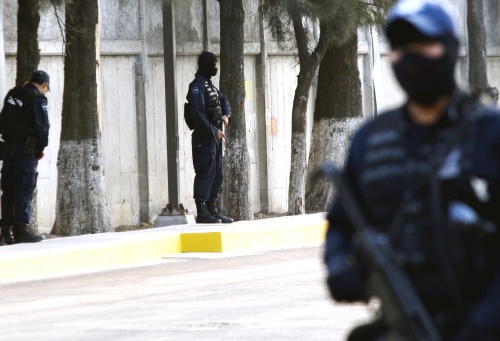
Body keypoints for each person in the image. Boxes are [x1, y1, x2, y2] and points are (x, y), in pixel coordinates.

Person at [324, 0, 500, 339]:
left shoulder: (489, 135)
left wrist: (484, 324)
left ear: (450, 49)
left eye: (424, 45)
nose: (413, 57)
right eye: (402, 48)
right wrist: (341, 267)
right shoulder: (371, 141)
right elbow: (342, 224)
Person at [0, 70, 51, 245]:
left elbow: (3, 122)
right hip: (25, 152)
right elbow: (42, 128)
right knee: (23, 189)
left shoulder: (13, 94)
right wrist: (40, 148)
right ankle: (21, 231)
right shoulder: (37, 98)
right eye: (46, 88)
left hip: (8, 150)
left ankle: (4, 232)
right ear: (44, 85)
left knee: (8, 190)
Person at [187, 51, 233, 224]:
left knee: (217, 173)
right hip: (204, 138)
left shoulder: (210, 85)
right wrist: (214, 131)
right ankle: (202, 210)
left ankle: (213, 209)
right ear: (206, 65)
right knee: (205, 172)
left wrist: (226, 115)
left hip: (217, 138)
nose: (216, 67)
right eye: (214, 64)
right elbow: (198, 115)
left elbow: (223, 99)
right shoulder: (197, 86)